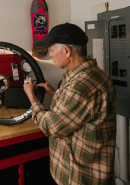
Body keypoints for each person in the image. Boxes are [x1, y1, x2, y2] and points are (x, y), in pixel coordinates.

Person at [23, 23, 116, 185]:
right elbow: (80, 109)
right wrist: (53, 92)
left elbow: (52, 127)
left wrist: (32, 97)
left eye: (51, 50)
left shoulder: (80, 86)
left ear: (66, 51)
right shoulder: (95, 75)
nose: (50, 55)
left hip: (78, 177)